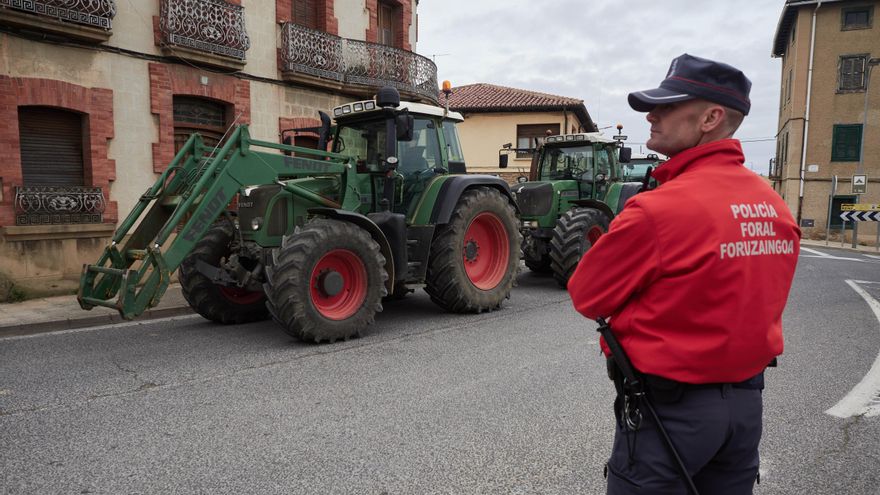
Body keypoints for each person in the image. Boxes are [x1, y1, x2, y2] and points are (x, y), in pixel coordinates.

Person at [567, 53, 801, 494]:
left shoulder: (660, 210)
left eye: (668, 106)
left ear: (711, 118)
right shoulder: (773, 205)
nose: (652, 115)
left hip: (671, 414)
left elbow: (587, 295)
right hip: (746, 407)